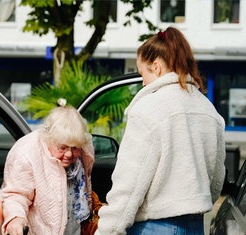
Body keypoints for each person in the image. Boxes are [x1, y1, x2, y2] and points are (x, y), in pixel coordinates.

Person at [95, 27, 226, 235]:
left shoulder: (148, 109)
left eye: (142, 74)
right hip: (194, 225)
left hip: (153, 227)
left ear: (155, 67)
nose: (143, 83)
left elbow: (129, 184)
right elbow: (217, 178)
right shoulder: (208, 109)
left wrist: (107, 231)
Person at [1, 101, 95, 235]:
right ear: (49, 139)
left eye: (74, 148)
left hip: (74, 228)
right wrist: (16, 218)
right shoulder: (26, 152)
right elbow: (15, 195)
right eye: (62, 148)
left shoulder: (84, 149)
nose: (69, 154)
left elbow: (87, 182)